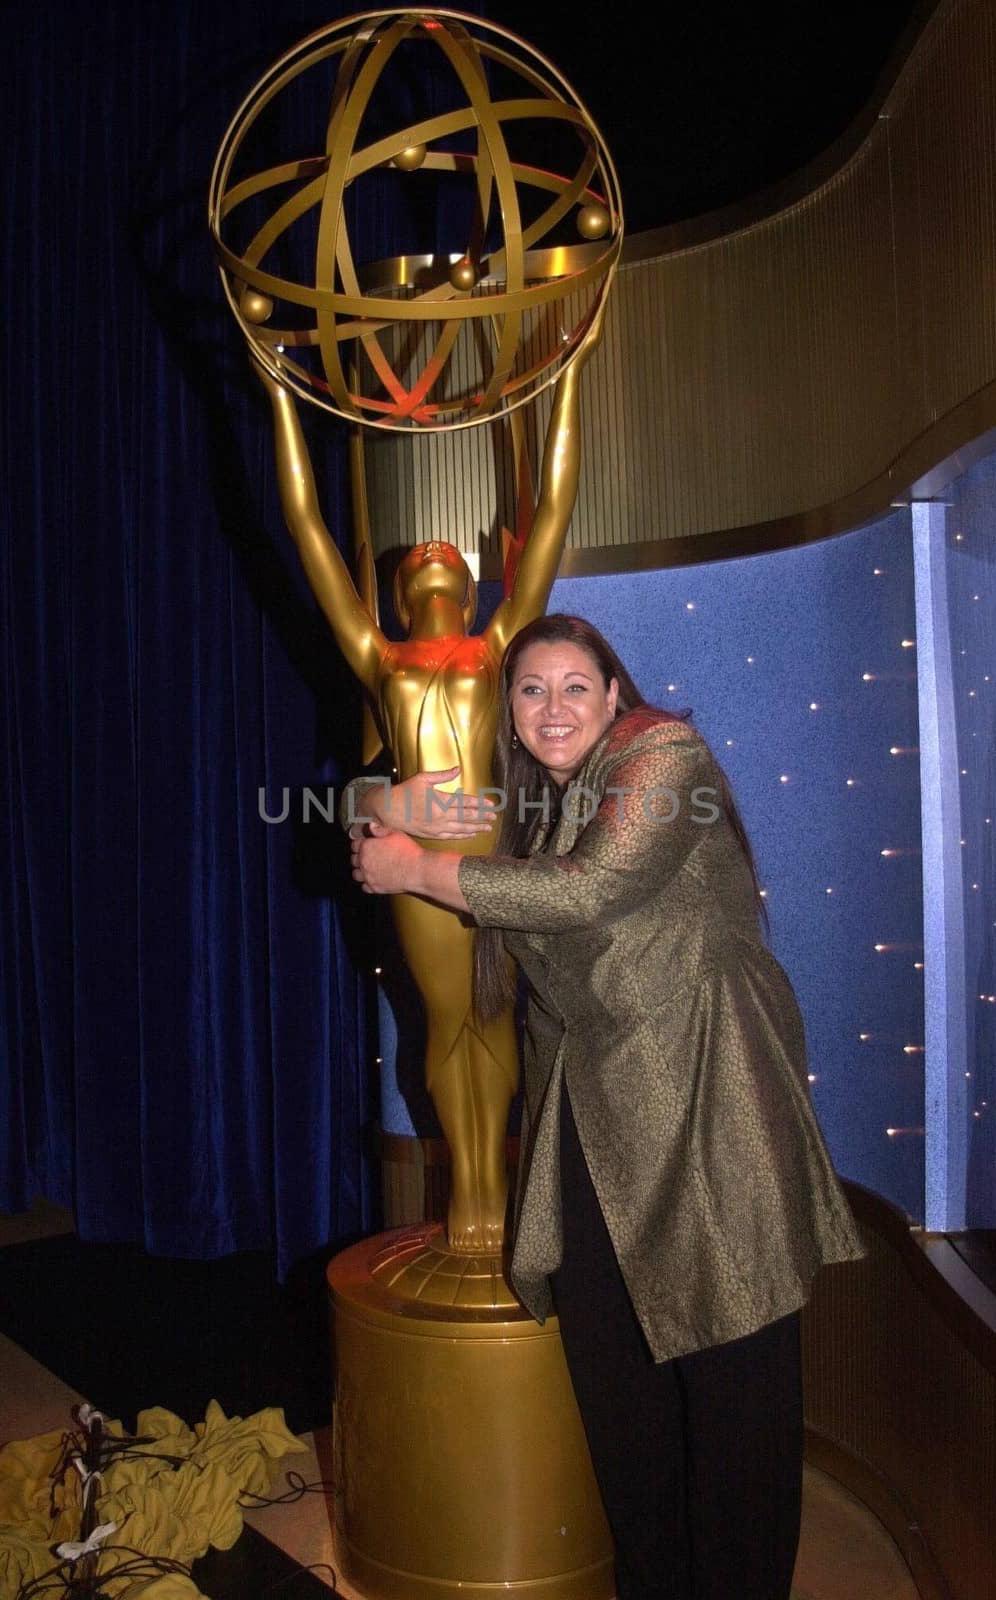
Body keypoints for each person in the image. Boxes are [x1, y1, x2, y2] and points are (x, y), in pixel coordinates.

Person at [349, 612, 866, 1600]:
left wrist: (417, 867)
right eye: (531, 689)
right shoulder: (532, 802)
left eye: (574, 685)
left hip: (708, 1104)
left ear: (616, 693)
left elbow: (593, 889)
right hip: (589, 1123)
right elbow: (356, 795)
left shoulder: (664, 756)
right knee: (618, 1385)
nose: (552, 707)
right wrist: (379, 800)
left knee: (733, 1388)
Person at [255, 310, 605, 1256]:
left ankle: (498, 1188)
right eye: (417, 559)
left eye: (446, 554)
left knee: (502, 1021)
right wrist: (282, 399)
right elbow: (307, 530)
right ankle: (469, 1199)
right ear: (404, 589)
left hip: (494, 851)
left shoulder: (499, 648)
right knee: (448, 1024)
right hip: (416, 865)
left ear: (469, 575)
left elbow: (554, 513)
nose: (431, 554)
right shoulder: (381, 656)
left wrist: (568, 374)